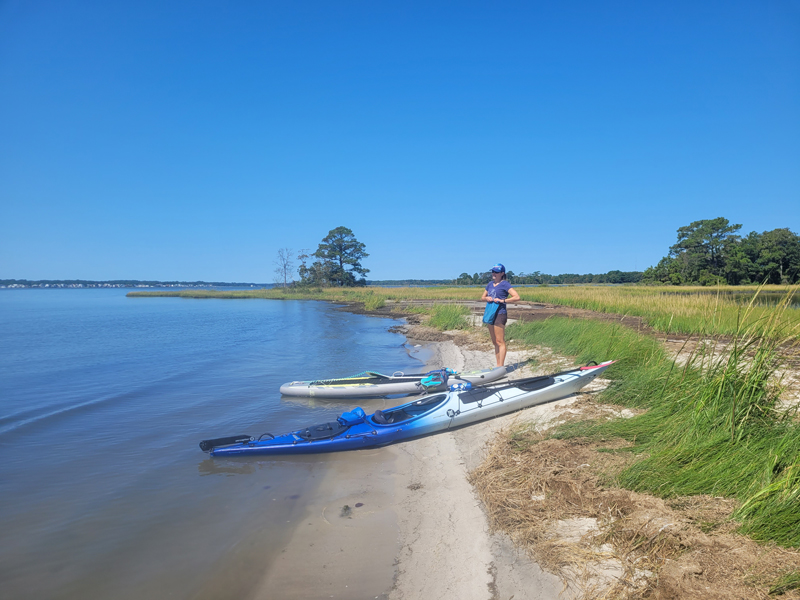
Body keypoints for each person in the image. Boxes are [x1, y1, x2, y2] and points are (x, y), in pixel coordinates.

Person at [480, 263, 520, 367]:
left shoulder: (505, 284)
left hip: (500, 313)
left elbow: (516, 297)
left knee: (500, 341)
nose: (494, 273)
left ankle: (500, 366)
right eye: (493, 271)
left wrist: (503, 300)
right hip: (490, 313)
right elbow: (482, 297)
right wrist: (486, 298)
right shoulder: (490, 284)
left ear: (502, 273)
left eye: (496, 272)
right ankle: (498, 364)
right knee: (494, 341)